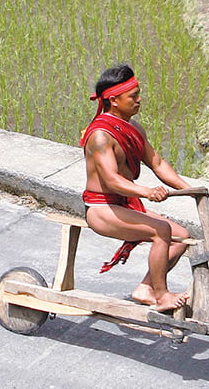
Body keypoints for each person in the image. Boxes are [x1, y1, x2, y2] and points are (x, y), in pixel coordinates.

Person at [80, 63, 196, 313]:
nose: (139, 100)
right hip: (101, 208)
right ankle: (163, 295)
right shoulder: (101, 135)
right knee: (161, 230)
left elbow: (157, 162)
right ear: (113, 100)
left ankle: (146, 288)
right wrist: (147, 192)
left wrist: (190, 190)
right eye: (133, 96)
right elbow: (111, 180)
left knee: (181, 236)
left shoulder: (134, 128)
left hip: (124, 204)